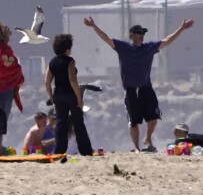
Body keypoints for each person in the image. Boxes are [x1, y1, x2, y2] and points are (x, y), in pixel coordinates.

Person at [84, 17, 194, 153]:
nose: (142, 36)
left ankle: (147, 138)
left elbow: (167, 41)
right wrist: (94, 26)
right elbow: (106, 39)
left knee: (154, 117)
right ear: (132, 35)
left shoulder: (149, 47)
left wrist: (181, 28)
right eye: (139, 33)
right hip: (130, 89)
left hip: (146, 87)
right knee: (134, 120)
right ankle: (136, 147)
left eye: (143, 33)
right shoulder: (123, 47)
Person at [44, 34, 93, 156]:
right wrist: (78, 97)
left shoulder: (52, 62)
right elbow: (72, 79)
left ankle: (60, 150)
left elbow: (47, 82)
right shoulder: (70, 61)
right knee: (78, 122)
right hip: (70, 95)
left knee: (61, 122)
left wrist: (52, 98)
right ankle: (85, 150)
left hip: (58, 96)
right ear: (67, 48)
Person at [0, 21, 25, 155]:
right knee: (0, 117)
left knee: (0, 117)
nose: (9, 29)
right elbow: (7, 66)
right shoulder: (2, 48)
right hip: (3, 87)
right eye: (5, 28)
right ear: (1, 33)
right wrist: (18, 70)